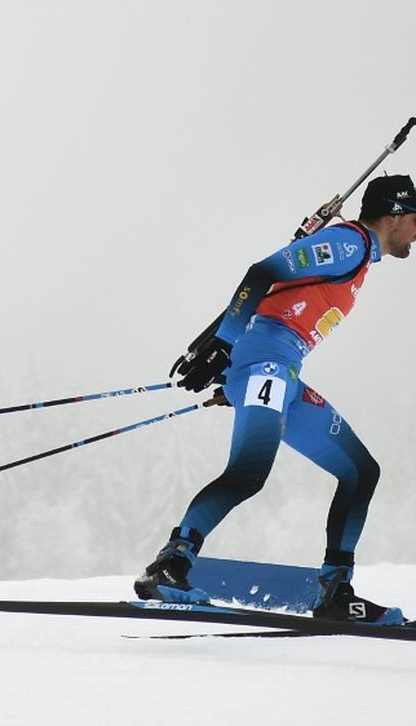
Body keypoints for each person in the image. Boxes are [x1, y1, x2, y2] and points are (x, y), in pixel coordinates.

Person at [135, 174, 416, 625]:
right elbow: (262, 272)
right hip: (266, 362)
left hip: (280, 372)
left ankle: (335, 591)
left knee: (361, 472)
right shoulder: (350, 243)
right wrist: (226, 345)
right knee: (248, 473)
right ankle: (172, 564)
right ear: (394, 216)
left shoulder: (361, 258)